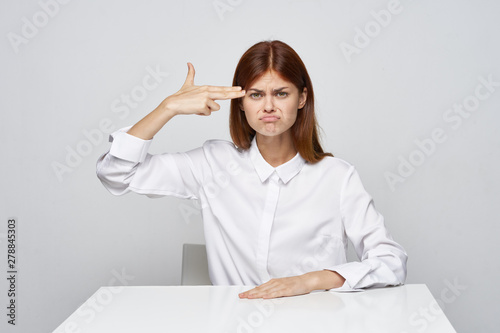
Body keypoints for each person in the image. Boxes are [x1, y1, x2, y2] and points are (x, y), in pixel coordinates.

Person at [96, 40, 407, 299]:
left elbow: (391, 262)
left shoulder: (338, 177)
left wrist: (309, 281)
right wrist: (168, 108)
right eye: (256, 95)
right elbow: (117, 174)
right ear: (241, 103)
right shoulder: (213, 164)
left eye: (281, 93)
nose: (268, 107)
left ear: (302, 98)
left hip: (317, 323)